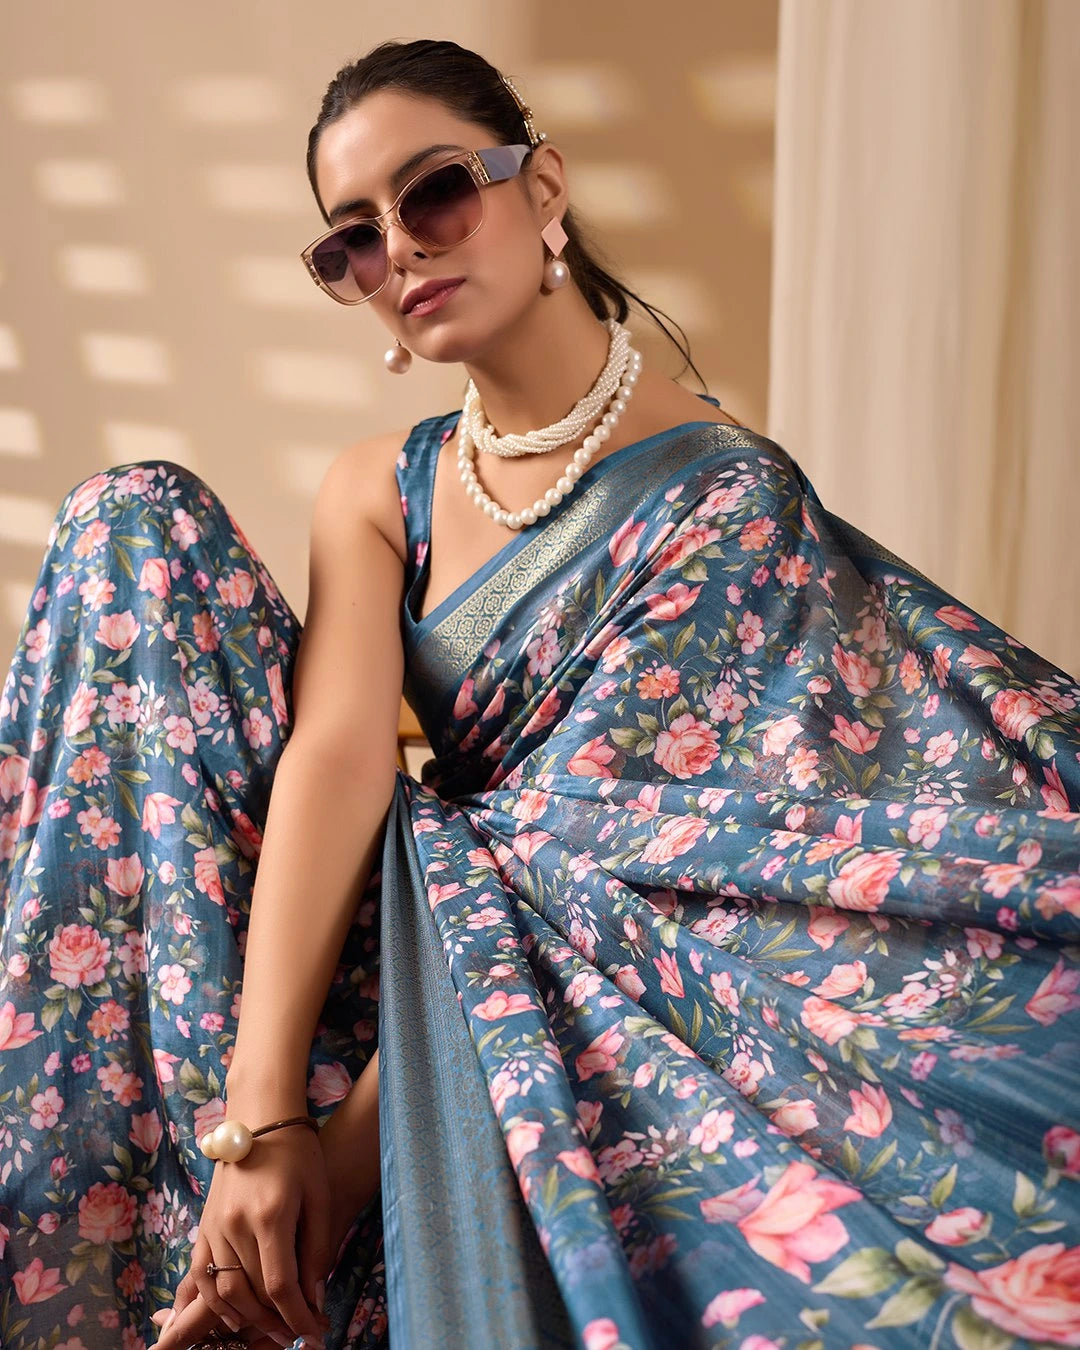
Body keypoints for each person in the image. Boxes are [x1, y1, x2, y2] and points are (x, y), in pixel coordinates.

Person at [2, 34, 1078, 1350]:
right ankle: (152, 1230)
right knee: (133, 521)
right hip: (411, 929)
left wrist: (330, 1167)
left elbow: (602, 872)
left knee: (542, 867)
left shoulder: (728, 496)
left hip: (571, 991)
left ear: (545, 188)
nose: (401, 249)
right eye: (354, 238)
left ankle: (275, 1250)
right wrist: (259, 1117)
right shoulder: (381, 484)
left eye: (436, 191)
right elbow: (337, 760)